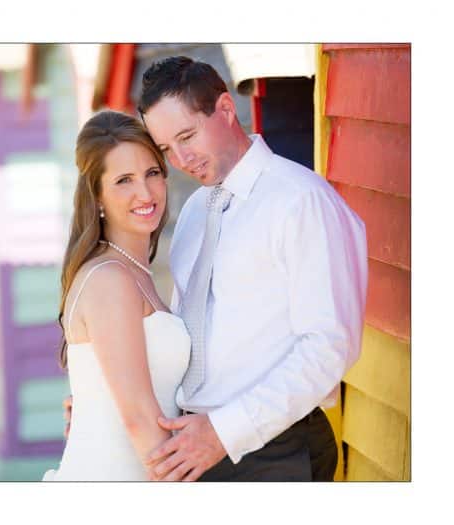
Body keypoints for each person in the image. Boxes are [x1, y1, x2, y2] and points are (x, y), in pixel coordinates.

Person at [66, 56, 368, 482]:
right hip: (193, 444)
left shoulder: (300, 202)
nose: (182, 159)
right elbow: (186, 343)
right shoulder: (193, 212)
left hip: (271, 450)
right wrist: (104, 397)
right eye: (167, 149)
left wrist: (224, 433)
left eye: (187, 135)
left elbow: (329, 347)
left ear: (226, 109)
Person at [42, 110, 190, 481]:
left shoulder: (135, 273)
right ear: (98, 195)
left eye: (152, 173)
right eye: (124, 180)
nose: (145, 192)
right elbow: (139, 417)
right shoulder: (110, 278)